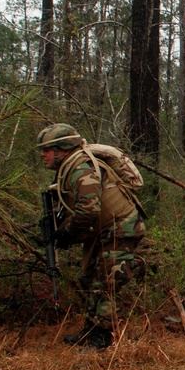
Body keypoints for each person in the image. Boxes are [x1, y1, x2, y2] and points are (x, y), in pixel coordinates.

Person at [37, 123, 146, 349]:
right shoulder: (71, 167)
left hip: (121, 229)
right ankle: (92, 329)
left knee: (107, 283)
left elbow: (88, 210)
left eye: (47, 150)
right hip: (105, 231)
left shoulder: (80, 168)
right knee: (90, 280)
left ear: (63, 149)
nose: (43, 155)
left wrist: (67, 234)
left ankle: (102, 339)